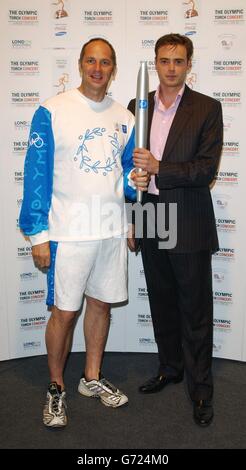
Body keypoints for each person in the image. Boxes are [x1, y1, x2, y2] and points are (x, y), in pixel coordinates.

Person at [19, 37, 148, 428]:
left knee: (101, 305)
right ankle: (56, 386)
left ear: (113, 69)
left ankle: (90, 378)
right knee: (64, 312)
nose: (97, 68)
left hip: (109, 231)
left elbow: (123, 176)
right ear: (79, 64)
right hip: (67, 233)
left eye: (105, 62)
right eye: (91, 61)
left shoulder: (124, 118)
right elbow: (36, 175)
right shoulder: (52, 111)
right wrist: (38, 234)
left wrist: (134, 183)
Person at [128, 33, 223, 427]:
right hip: (150, 215)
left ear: (188, 64)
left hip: (186, 216)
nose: (170, 68)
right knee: (162, 301)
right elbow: (127, 170)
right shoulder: (138, 105)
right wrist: (131, 219)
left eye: (178, 61)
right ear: (155, 62)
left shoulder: (207, 108)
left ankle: (201, 389)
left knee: (195, 309)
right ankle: (170, 367)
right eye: (164, 60)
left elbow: (206, 170)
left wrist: (159, 167)